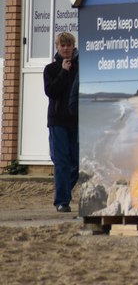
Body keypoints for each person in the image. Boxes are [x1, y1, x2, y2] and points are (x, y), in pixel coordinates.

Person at [43, 32, 80, 213]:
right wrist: (63, 72)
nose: (66, 48)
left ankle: (64, 190)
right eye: (62, 45)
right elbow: (52, 91)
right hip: (57, 121)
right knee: (61, 161)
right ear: (57, 47)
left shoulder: (81, 67)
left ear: (73, 46)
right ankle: (62, 201)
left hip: (77, 121)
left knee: (77, 162)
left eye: (69, 45)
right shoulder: (50, 69)